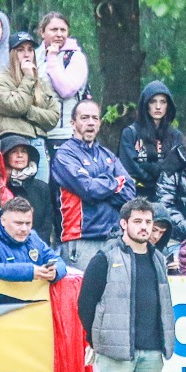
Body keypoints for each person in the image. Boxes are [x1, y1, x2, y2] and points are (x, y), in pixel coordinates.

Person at [77, 198, 174, 372]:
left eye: (148, 222)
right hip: (115, 350)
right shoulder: (105, 258)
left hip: (152, 350)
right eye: (138, 221)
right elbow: (85, 303)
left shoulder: (158, 259)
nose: (144, 227)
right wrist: (97, 339)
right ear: (124, 224)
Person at [52, 100, 136, 269]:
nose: (90, 123)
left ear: (99, 123)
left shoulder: (108, 155)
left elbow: (129, 193)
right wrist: (114, 183)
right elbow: (89, 189)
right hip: (81, 241)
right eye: (84, 118)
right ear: (73, 123)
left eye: (95, 118)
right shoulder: (64, 155)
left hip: (113, 238)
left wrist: (100, 186)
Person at [0, 31, 59, 182]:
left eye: (30, 50)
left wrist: (28, 111)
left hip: (39, 144)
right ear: (11, 54)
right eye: (20, 50)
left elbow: (53, 118)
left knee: (40, 190)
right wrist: (28, 78)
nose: (26, 54)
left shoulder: (41, 83)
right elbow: (17, 107)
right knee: (13, 194)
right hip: (12, 144)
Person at [34, 12, 89, 165]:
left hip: (65, 134)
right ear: (42, 32)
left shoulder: (75, 57)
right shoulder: (33, 56)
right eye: (54, 30)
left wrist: (52, 58)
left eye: (63, 30)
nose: (59, 34)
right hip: (36, 133)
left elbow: (66, 90)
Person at [0, 197, 66, 282]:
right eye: (18, 223)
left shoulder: (33, 237)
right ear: (3, 220)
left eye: (28, 223)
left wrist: (55, 272)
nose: (24, 229)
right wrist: (28, 271)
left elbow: (57, 260)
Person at [119, 81, 183, 202]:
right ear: (145, 104)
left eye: (162, 102)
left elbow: (177, 168)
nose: (158, 107)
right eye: (153, 101)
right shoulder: (130, 133)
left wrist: (150, 167)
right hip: (137, 197)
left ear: (168, 105)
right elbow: (129, 168)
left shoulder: (176, 136)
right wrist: (158, 172)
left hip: (168, 197)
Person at [0, 135, 54, 245]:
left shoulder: (42, 188)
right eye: (14, 151)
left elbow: (46, 224)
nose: (20, 155)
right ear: (5, 156)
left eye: (24, 151)